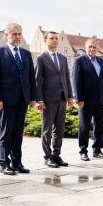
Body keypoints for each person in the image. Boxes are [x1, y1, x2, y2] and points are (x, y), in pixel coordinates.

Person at [0, 23, 36, 175]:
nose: (17, 37)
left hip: (22, 99)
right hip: (6, 100)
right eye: (14, 34)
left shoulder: (26, 54)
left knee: (17, 133)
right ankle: (4, 163)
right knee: (6, 132)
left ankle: (17, 162)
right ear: (7, 34)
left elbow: (31, 78)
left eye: (19, 34)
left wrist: (32, 98)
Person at [35, 31, 73, 168]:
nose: (55, 40)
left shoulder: (62, 58)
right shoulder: (41, 58)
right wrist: (39, 99)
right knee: (47, 130)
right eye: (51, 38)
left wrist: (70, 96)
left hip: (62, 98)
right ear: (45, 40)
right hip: (48, 100)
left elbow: (66, 77)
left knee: (60, 129)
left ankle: (56, 155)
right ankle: (47, 157)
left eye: (56, 38)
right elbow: (37, 81)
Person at [71, 38, 103, 161]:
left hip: (99, 100)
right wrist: (78, 99)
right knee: (84, 126)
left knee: (99, 126)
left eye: (94, 47)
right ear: (86, 47)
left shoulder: (101, 61)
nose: (92, 49)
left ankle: (97, 150)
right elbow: (75, 81)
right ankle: (83, 151)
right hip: (85, 101)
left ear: (97, 48)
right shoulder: (79, 61)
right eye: (90, 47)